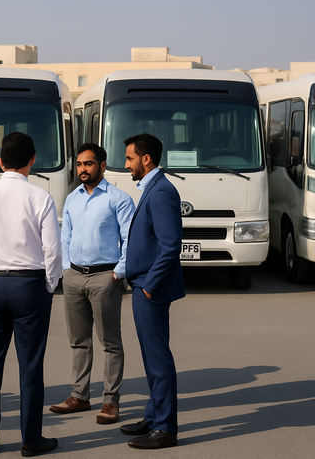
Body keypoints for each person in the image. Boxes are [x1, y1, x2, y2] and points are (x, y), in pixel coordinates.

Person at [0, 132, 62, 457]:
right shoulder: (41, 197)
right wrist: (49, 285)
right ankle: (31, 440)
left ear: (0, 161)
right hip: (29, 286)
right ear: (32, 160)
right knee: (30, 366)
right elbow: (53, 250)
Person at [49, 143, 134, 425]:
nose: (82, 169)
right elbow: (65, 236)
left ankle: (110, 401)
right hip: (74, 276)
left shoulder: (118, 199)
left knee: (110, 342)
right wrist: (64, 270)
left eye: (88, 164)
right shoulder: (72, 198)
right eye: (79, 164)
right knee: (78, 341)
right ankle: (79, 396)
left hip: (104, 277)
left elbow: (130, 240)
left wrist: (118, 273)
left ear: (102, 165)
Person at [119, 133, 185, 450]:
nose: (126, 164)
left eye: (130, 158)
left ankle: (165, 428)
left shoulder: (160, 192)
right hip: (144, 284)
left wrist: (149, 287)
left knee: (158, 359)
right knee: (150, 356)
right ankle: (154, 415)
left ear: (146, 159)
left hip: (150, 287)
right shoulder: (154, 188)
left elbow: (171, 246)